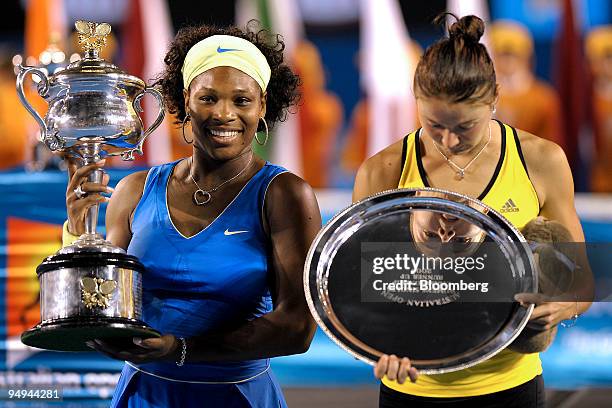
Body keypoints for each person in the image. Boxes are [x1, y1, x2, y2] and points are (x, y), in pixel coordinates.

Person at [62, 22, 321, 407]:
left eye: (241, 100)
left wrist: (181, 348)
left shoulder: (284, 195)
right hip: (142, 395)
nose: (224, 114)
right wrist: (78, 234)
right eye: (208, 98)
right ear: (185, 101)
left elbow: (297, 327)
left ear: (263, 105)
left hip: (236, 397)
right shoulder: (134, 190)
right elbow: (102, 306)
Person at [352, 14, 592, 408]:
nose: (448, 140)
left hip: (510, 385)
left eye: (465, 127)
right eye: (434, 124)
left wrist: (564, 305)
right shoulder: (382, 170)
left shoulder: (541, 160)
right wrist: (379, 344)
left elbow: (581, 281)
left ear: (494, 97)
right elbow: (361, 292)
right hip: (413, 388)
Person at [489, 20, 564, 150]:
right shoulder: (482, 96)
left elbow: (552, 147)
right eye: (501, 54)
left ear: (527, 57)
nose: (507, 61)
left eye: (513, 55)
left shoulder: (543, 98)